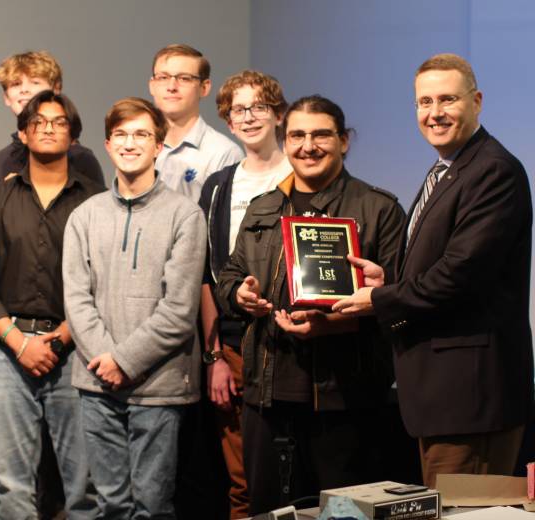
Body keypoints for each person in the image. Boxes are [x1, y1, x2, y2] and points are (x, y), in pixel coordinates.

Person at [334, 53, 533, 488]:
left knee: (467, 512)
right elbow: (447, 265)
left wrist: (380, 299)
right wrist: (390, 282)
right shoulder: (447, 169)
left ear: (476, 100)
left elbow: (461, 274)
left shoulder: (493, 171)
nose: (434, 113)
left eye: (447, 99)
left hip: (471, 397)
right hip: (444, 395)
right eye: (424, 102)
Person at [215, 95, 406, 514]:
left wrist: (337, 324)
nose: (308, 146)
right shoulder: (263, 207)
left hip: (345, 397)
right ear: (285, 142)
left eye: (321, 134)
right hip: (267, 392)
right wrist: (238, 294)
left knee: (344, 513)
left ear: (344, 141)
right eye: (297, 135)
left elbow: (401, 302)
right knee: (268, 509)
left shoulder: (379, 209)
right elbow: (228, 275)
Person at [63, 97, 206, 518]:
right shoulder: (84, 216)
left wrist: (124, 360)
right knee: (111, 504)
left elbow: (179, 310)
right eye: (121, 135)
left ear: (158, 145)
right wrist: (105, 361)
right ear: (107, 145)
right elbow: (76, 299)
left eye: (142, 134)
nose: (130, 143)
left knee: (152, 506)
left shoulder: (185, 215)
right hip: (96, 383)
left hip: (158, 385)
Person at [0, 90, 101, 520]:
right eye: (38, 122)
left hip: (76, 352)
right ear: (23, 133)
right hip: (6, 354)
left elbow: (103, 284)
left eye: (58, 122)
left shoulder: (97, 202)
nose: (48, 128)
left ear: (73, 136)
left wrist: (60, 338)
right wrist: (21, 343)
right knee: (12, 484)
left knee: (85, 488)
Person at [198, 70, 293, 519]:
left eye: (260, 106)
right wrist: (214, 356)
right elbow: (203, 275)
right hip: (233, 343)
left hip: (291, 338)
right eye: (239, 109)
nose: (249, 116)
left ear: (278, 114)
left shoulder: (301, 173)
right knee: (240, 480)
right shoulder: (217, 186)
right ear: (228, 121)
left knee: (291, 470)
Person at [0, 50, 105, 193]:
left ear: (56, 90)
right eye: (16, 84)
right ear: (6, 98)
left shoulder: (81, 159)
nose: (24, 90)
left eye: (35, 82)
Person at [149, 43, 243, 201]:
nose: (171, 86)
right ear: (152, 85)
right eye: (163, 77)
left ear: (204, 88)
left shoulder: (224, 154)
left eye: (184, 78)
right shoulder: (139, 146)